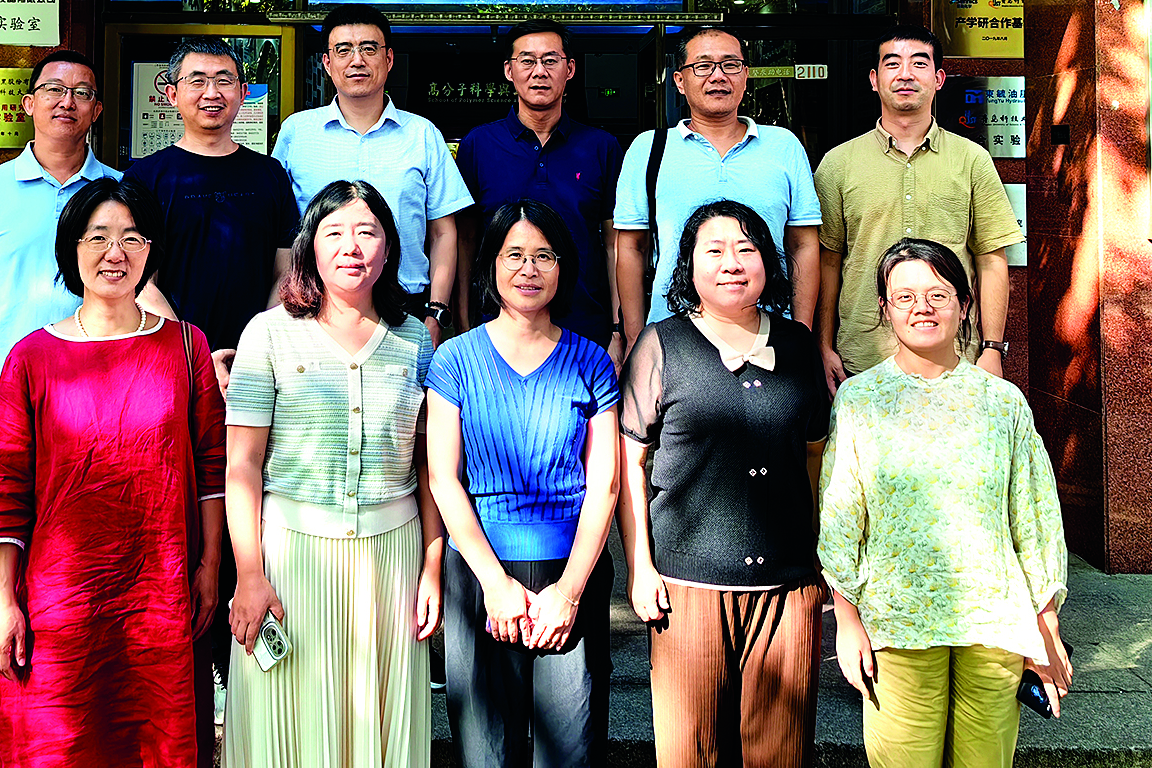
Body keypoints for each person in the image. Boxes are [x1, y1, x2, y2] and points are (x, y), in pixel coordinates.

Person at [0, 176, 226, 768]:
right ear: (73, 248)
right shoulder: (32, 357)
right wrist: (4, 602)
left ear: (150, 251)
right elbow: (3, 485)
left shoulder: (185, 347)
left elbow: (212, 467)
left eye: (132, 238)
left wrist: (210, 565)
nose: (116, 253)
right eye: (99, 237)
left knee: (155, 739)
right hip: (61, 598)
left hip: (160, 590)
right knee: (62, 741)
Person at [820, 238, 1071, 768]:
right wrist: (846, 618)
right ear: (885, 309)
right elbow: (842, 514)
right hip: (898, 619)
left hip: (994, 621)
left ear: (964, 304)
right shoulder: (860, 399)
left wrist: (1045, 621)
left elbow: (1034, 515)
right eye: (905, 297)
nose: (923, 308)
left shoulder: (1001, 401)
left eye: (938, 294)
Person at [221, 180, 443, 768]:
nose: (352, 247)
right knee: (285, 724)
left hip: (391, 562)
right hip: (289, 559)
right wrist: (249, 574)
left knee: (379, 722)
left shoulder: (415, 341)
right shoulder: (267, 333)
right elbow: (241, 465)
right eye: (334, 232)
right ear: (309, 248)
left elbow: (429, 467)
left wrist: (432, 567)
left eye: (368, 232)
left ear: (390, 249)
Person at [617, 200, 831, 768]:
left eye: (746, 248)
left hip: (787, 588)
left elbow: (815, 453)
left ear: (768, 262)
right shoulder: (661, 345)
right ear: (688, 266)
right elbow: (630, 463)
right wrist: (640, 566)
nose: (731, 262)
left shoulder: (798, 345)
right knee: (691, 753)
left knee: (782, 754)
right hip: (687, 588)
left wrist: (818, 556)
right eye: (713, 250)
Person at [125, 34, 299, 725]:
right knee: (184, 512)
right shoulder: (146, 175)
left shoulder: (268, 174)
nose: (212, 92)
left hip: (258, 370)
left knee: (250, 505)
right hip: (172, 368)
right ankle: (187, 665)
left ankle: (249, 659)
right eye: (197, 79)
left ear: (244, 92)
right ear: (170, 93)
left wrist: (254, 348)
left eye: (225, 79)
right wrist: (197, 352)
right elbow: (135, 274)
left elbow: (287, 268)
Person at [0, 47, 119, 720]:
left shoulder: (116, 189)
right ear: (29, 103)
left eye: (82, 91)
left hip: (100, 387)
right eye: (54, 89)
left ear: (97, 109)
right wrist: (10, 321)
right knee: (9, 527)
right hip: (11, 389)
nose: (66, 101)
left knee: (88, 526)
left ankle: (84, 655)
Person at [426, 200, 620, 768]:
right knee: (486, 752)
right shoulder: (455, 360)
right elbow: (443, 477)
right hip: (479, 575)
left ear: (563, 267)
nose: (529, 269)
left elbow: (605, 484)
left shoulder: (591, 363)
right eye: (514, 255)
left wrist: (569, 593)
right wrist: (495, 584)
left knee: (571, 752)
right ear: (491, 264)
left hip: (571, 573)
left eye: (544, 256)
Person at [813, 26, 1024, 393]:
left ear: (938, 79)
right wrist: (823, 345)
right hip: (862, 359)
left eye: (919, 63)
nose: (906, 74)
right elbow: (828, 262)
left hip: (954, 357)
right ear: (874, 80)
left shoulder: (972, 160)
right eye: (893, 64)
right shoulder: (838, 164)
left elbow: (991, 258)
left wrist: (992, 348)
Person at [273, 6, 472, 343]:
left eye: (368, 48)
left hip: (406, 310)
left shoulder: (422, 134)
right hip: (314, 309)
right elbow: (280, 231)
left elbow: (443, 232)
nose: (357, 60)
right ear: (327, 63)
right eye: (343, 50)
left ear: (389, 59)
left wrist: (436, 313)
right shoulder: (297, 132)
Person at [614, 26, 821, 350]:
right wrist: (635, 339)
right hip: (673, 338)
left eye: (730, 65)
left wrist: (801, 333)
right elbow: (631, 248)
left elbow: (803, 244)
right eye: (703, 66)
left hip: (771, 336)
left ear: (745, 75)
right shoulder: (648, 149)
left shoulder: (784, 146)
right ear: (679, 80)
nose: (718, 76)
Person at [455, 20, 625, 366]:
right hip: (497, 329)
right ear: (509, 70)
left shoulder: (601, 147)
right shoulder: (479, 145)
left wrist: (618, 330)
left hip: (585, 330)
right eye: (527, 61)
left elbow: (614, 245)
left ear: (570, 69)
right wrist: (462, 323)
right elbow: (465, 241)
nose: (539, 72)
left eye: (550, 60)